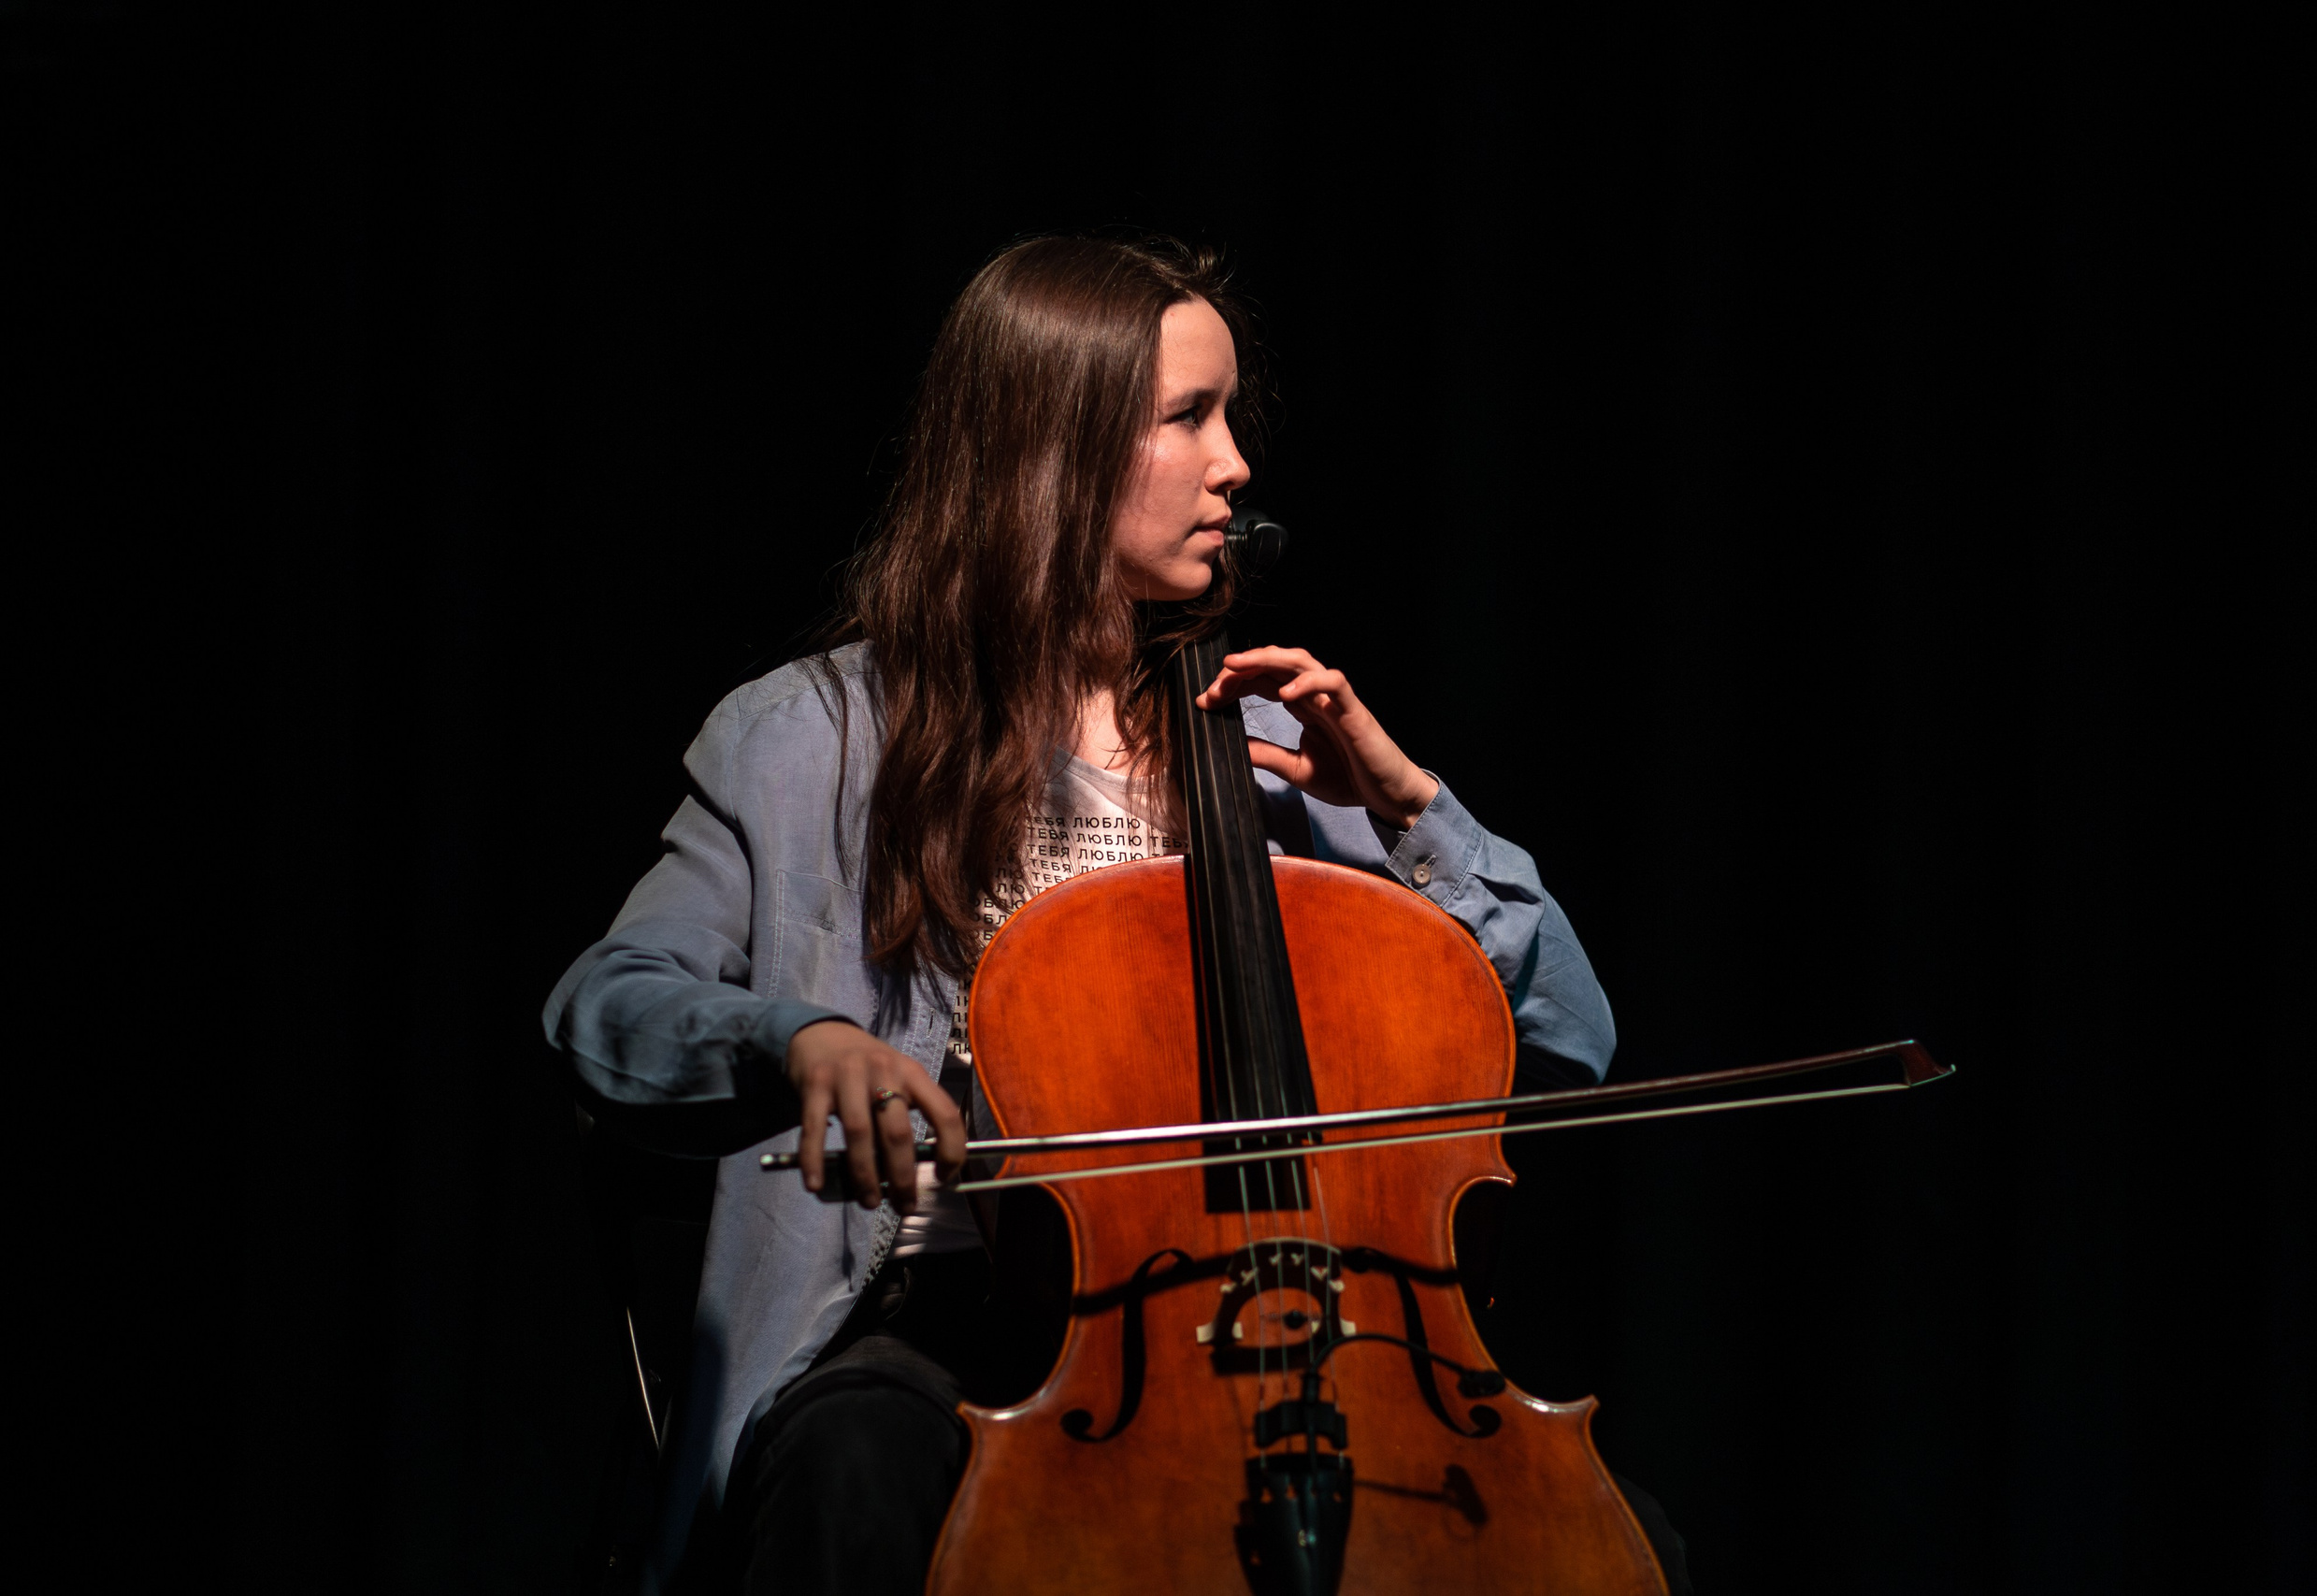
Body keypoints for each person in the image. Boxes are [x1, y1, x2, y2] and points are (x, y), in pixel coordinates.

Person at [545, 235, 1690, 1595]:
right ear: (1054, 448)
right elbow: (609, 1008)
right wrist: (792, 1042)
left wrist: (1409, 813)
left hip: (1270, 1326)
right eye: (1187, 418)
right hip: (939, 1320)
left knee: (1618, 1543)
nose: (1236, 466)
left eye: (1230, 417)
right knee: (853, 1475)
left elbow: (1568, 1042)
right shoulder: (810, 739)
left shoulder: (1268, 751)